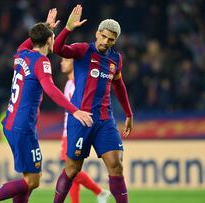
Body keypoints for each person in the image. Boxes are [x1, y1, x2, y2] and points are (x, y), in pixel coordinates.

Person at [0, 9, 93, 203]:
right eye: (52, 38)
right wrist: (74, 110)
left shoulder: (21, 54)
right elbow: (50, 89)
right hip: (23, 126)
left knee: (28, 178)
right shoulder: (42, 62)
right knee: (33, 181)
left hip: (11, 122)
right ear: (50, 41)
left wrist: (46, 26)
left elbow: (32, 39)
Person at [52, 5, 133, 203]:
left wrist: (129, 114)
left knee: (116, 165)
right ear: (97, 33)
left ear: (115, 40)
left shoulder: (115, 59)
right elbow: (57, 49)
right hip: (81, 119)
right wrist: (68, 28)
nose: (106, 42)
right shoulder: (82, 50)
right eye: (103, 36)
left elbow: (119, 85)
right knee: (72, 170)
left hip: (105, 120)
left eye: (111, 39)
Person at [60, 58, 111, 203]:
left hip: (75, 132)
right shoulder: (69, 83)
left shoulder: (78, 83)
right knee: (72, 172)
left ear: (74, 64)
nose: (62, 62)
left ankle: (100, 192)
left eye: (66, 60)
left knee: (70, 169)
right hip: (67, 131)